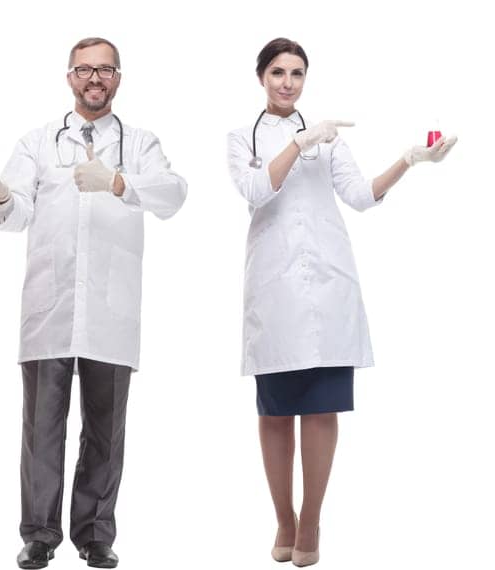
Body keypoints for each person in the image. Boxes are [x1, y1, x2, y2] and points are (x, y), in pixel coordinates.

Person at [225, 37, 456, 568]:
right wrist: (300, 144)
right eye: (279, 72)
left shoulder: (330, 141)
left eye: (298, 74)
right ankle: (283, 516)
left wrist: (409, 159)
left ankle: (312, 519)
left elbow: (360, 196)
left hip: (328, 289)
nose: (288, 82)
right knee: (276, 411)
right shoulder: (242, 137)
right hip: (275, 292)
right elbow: (257, 190)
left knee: (323, 406)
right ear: (261, 76)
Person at [0, 37, 186, 570]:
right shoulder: (39, 142)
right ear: (69, 77)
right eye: (85, 69)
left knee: (105, 430)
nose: (95, 78)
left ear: (119, 77)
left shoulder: (139, 143)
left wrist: (117, 182)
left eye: (105, 69)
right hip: (50, 307)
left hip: (112, 312)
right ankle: (40, 535)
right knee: (41, 429)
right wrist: (0, 197)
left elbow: (173, 193)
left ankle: (94, 535)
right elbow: (16, 211)